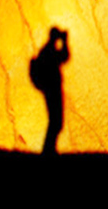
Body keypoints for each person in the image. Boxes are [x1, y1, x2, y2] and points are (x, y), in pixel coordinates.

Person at [30, 27, 70, 155]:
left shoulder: (48, 50)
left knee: (56, 121)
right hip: (52, 90)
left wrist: (63, 42)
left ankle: (49, 149)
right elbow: (65, 57)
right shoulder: (48, 51)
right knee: (56, 121)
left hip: (52, 89)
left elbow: (64, 57)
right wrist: (65, 42)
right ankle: (48, 150)